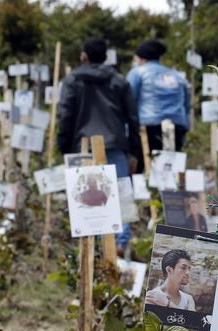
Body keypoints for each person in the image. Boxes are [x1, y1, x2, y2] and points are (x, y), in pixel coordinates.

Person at [58, 37, 142, 251]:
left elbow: (65, 116)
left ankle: (93, 248)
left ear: (83, 55)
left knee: (86, 199)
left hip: (83, 146)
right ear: (105, 57)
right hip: (114, 144)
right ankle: (121, 247)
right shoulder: (119, 81)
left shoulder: (72, 80)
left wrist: (64, 147)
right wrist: (133, 152)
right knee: (121, 195)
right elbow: (133, 118)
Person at [127, 39, 190, 154]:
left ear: (141, 57)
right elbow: (186, 104)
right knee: (172, 164)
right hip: (177, 126)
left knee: (147, 166)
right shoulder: (176, 75)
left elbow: (129, 101)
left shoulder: (137, 73)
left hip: (148, 126)